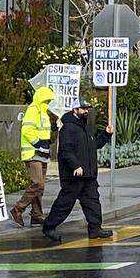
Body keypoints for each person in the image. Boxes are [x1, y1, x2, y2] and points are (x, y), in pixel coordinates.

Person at [41, 100, 114, 244]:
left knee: (93, 202)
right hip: (74, 176)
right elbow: (65, 150)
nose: (86, 111)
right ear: (75, 110)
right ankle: (49, 227)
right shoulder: (68, 128)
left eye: (87, 108)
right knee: (64, 203)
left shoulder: (85, 127)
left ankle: (95, 229)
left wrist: (106, 134)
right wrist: (75, 166)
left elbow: (95, 145)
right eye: (83, 108)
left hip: (88, 176)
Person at [10, 86, 55, 227]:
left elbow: (45, 133)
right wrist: (39, 144)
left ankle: (36, 215)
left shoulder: (43, 112)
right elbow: (27, 130)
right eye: (46, 100)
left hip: (42, 153)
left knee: (39, 186)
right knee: (38, 184)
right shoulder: (33, 110)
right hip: (33, 153)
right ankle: (18, 209)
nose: (48, 103)